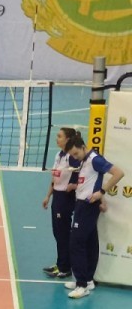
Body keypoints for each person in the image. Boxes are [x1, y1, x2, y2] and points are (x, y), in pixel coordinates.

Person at [65, 136, 125, 299]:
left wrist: (102, 192)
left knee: (76, 243)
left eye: (76, 153)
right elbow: (91, 182)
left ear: (82, 146)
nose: (75, 157)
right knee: (90, 242)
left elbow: (118, 173)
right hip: (82, 205)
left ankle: (81, 285)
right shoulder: (84, 160)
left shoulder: (95, 159)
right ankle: (88, 280)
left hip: (87, 206)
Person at [41, 127, 81, 280]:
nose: (56, 139)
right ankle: (60, 263)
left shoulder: (71, 157)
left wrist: (73, 185)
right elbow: (55, 178)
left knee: (63, 233)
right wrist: (48, 195)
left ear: (68, 139)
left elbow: (81, 172)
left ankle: (65, 268)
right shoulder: (59, 155)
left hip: (66, 198)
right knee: (58, 232)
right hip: (57, 196)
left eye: (59, 136)